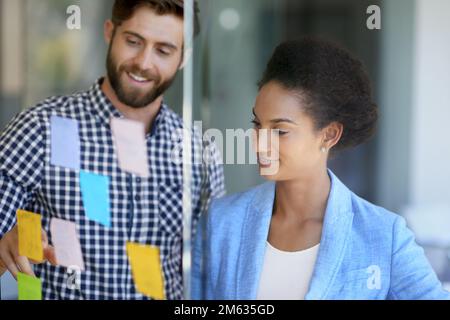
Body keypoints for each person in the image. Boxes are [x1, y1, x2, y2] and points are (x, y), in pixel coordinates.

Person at [191, 37, 450, 300]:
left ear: (329, 135)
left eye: (280, 131)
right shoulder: (220, 222)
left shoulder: (384, 235)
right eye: (257, 124)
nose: (259, 143)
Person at [0, 0, 225, 300]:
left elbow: (210, 278)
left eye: (163, 50)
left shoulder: (200, 152)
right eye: (133, 41)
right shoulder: (40, 129)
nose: (144, 62)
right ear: (110, 32)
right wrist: (5, 247)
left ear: (184, 58)